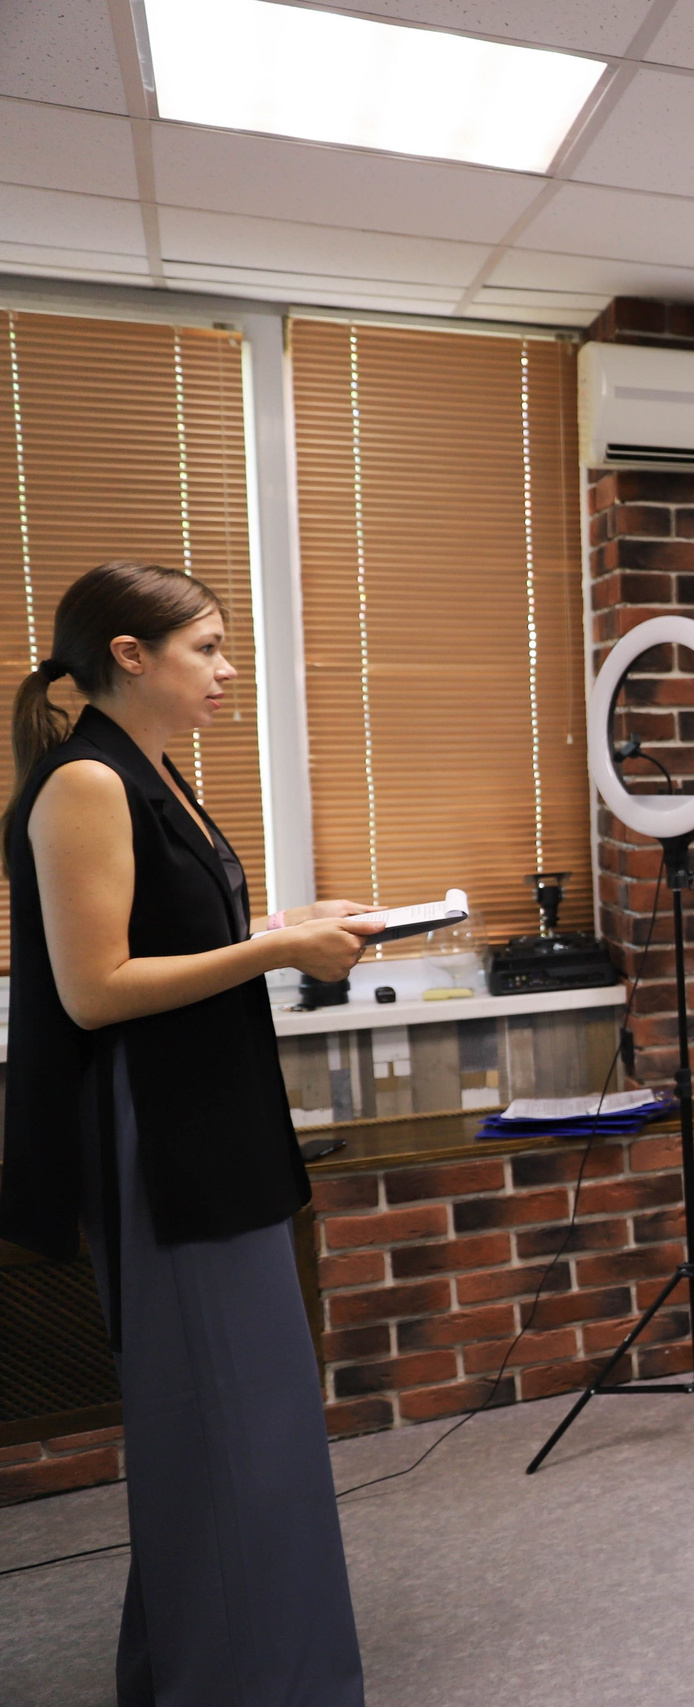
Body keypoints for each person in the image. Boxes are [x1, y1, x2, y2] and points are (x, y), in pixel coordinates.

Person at [0, 562, 383, 1706]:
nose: (226, 669)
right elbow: (95, 991)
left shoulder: (152, 771)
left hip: (212, 1115)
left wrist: (290, 924)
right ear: (130, 654)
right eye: (206, 648)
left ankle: (220, 1666)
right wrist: (277, 951)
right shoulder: (85, 782)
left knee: (252, 1415)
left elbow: (172, 934)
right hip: (158, 1135)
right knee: (221, 1417)